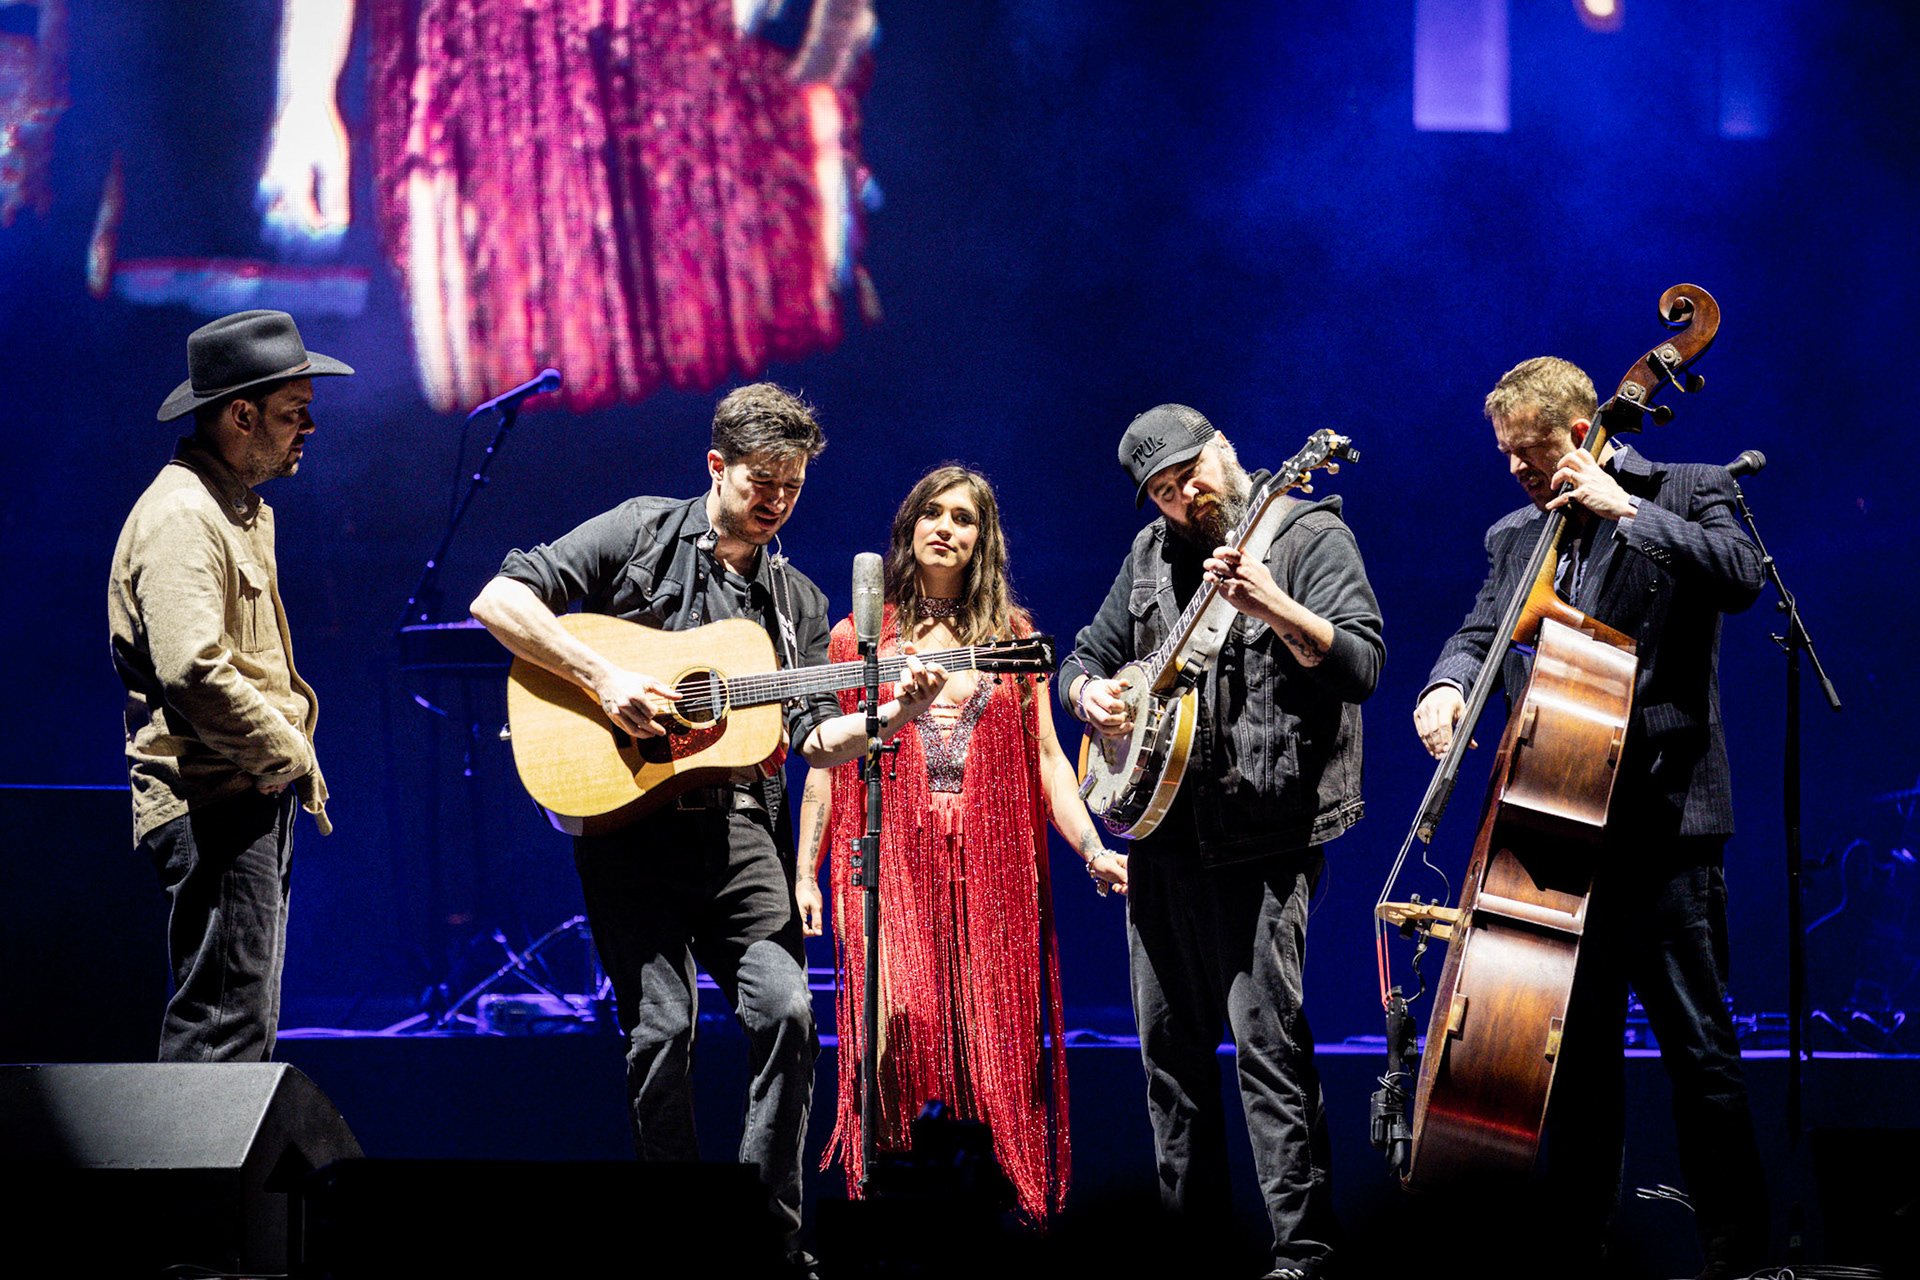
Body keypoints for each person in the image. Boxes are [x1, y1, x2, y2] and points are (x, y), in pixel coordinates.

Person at [468, 383, 943, 1267]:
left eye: (793, 486)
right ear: (717, 466)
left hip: (740, 834)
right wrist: (604, 677)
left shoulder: (796, 603)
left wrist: (895, 714)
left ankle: (767, 1240)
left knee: (790, 1013)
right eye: (763, 481)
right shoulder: (639, 530)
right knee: (661, 1033)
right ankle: (681, 1237)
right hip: (630, 834)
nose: (777, 501)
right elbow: (499, 600)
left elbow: (817, 740)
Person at [1413, 356, 1769, 1278]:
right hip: (1554, 831)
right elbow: (1479, 633)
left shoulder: (1687, 487)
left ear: (1579, 434)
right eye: (1504, 452)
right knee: (1571, 1061)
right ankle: (1582, 1258)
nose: (1514, 469)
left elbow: (1742, 578)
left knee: (1701, 1050)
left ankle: (1741, 1255)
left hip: (1665, 824)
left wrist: (1626, 511)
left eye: (1528, 450)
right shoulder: (1514, 536)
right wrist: (1447, 685)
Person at [1061, 405, 1383, 1280]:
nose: (1183, 498)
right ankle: (1191, 1251)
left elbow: (1362, 666)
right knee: (1169, 1060)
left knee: (1268, 1050)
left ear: (1225, 449)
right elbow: (1083, 656)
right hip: (1161, 838)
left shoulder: (1307, 534)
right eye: (1164, 491)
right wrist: (1090, 696)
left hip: (1263, 840)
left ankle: (1305, 1252)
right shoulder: (1148, 556)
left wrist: (1271, 604)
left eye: (1189, 475)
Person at [797, 464, 1120, 1222]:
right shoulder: (858, 636)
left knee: (990, 1039)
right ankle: (889, 1206)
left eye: (965, 518)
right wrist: (805, 872)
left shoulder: (1014, 637)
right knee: (899, 1024)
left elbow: (1048, 761)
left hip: (993, 860)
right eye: (933, 513)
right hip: (892, 859)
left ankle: (987, 1213)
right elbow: (826, 764)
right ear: (910, 526)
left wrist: (1093, 849)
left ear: (984, 540)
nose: (946, 528)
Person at [109, 309, 352, 1062]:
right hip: (216, 799)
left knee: (237, 1022)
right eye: (293, 411)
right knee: (223, 1028)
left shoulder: (222, 510)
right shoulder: (183, 515)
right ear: (240, 415)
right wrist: (288, 754)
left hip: (238, 792)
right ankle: (191, 1151)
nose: (309, 426)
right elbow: (193, 667)